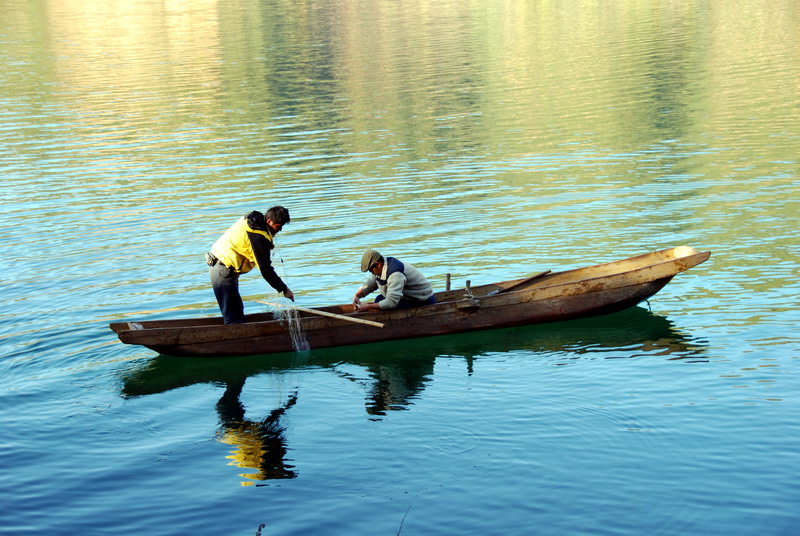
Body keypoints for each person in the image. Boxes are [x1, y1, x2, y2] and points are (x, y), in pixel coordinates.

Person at [207, 206, 294, 324]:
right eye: (278, 226)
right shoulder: (258, 237)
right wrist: (284, 289)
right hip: (222, 267)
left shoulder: (254, 221)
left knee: (236, 309)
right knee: (233, 315)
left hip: (224, 266)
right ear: (269, 221)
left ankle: (238, 333)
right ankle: (236, 339)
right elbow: (265, 269)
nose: (280, 230)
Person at [352, 249, 435, 312]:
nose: (371, 273)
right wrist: (357, 296)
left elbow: (391, 302)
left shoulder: (395, 274)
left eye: (371, 270)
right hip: (406, 296)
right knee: (379, 299)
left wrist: (368, 307)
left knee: (380, 302)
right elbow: (371, 284)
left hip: (422, 300)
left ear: (378, 264)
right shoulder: (380, 268)